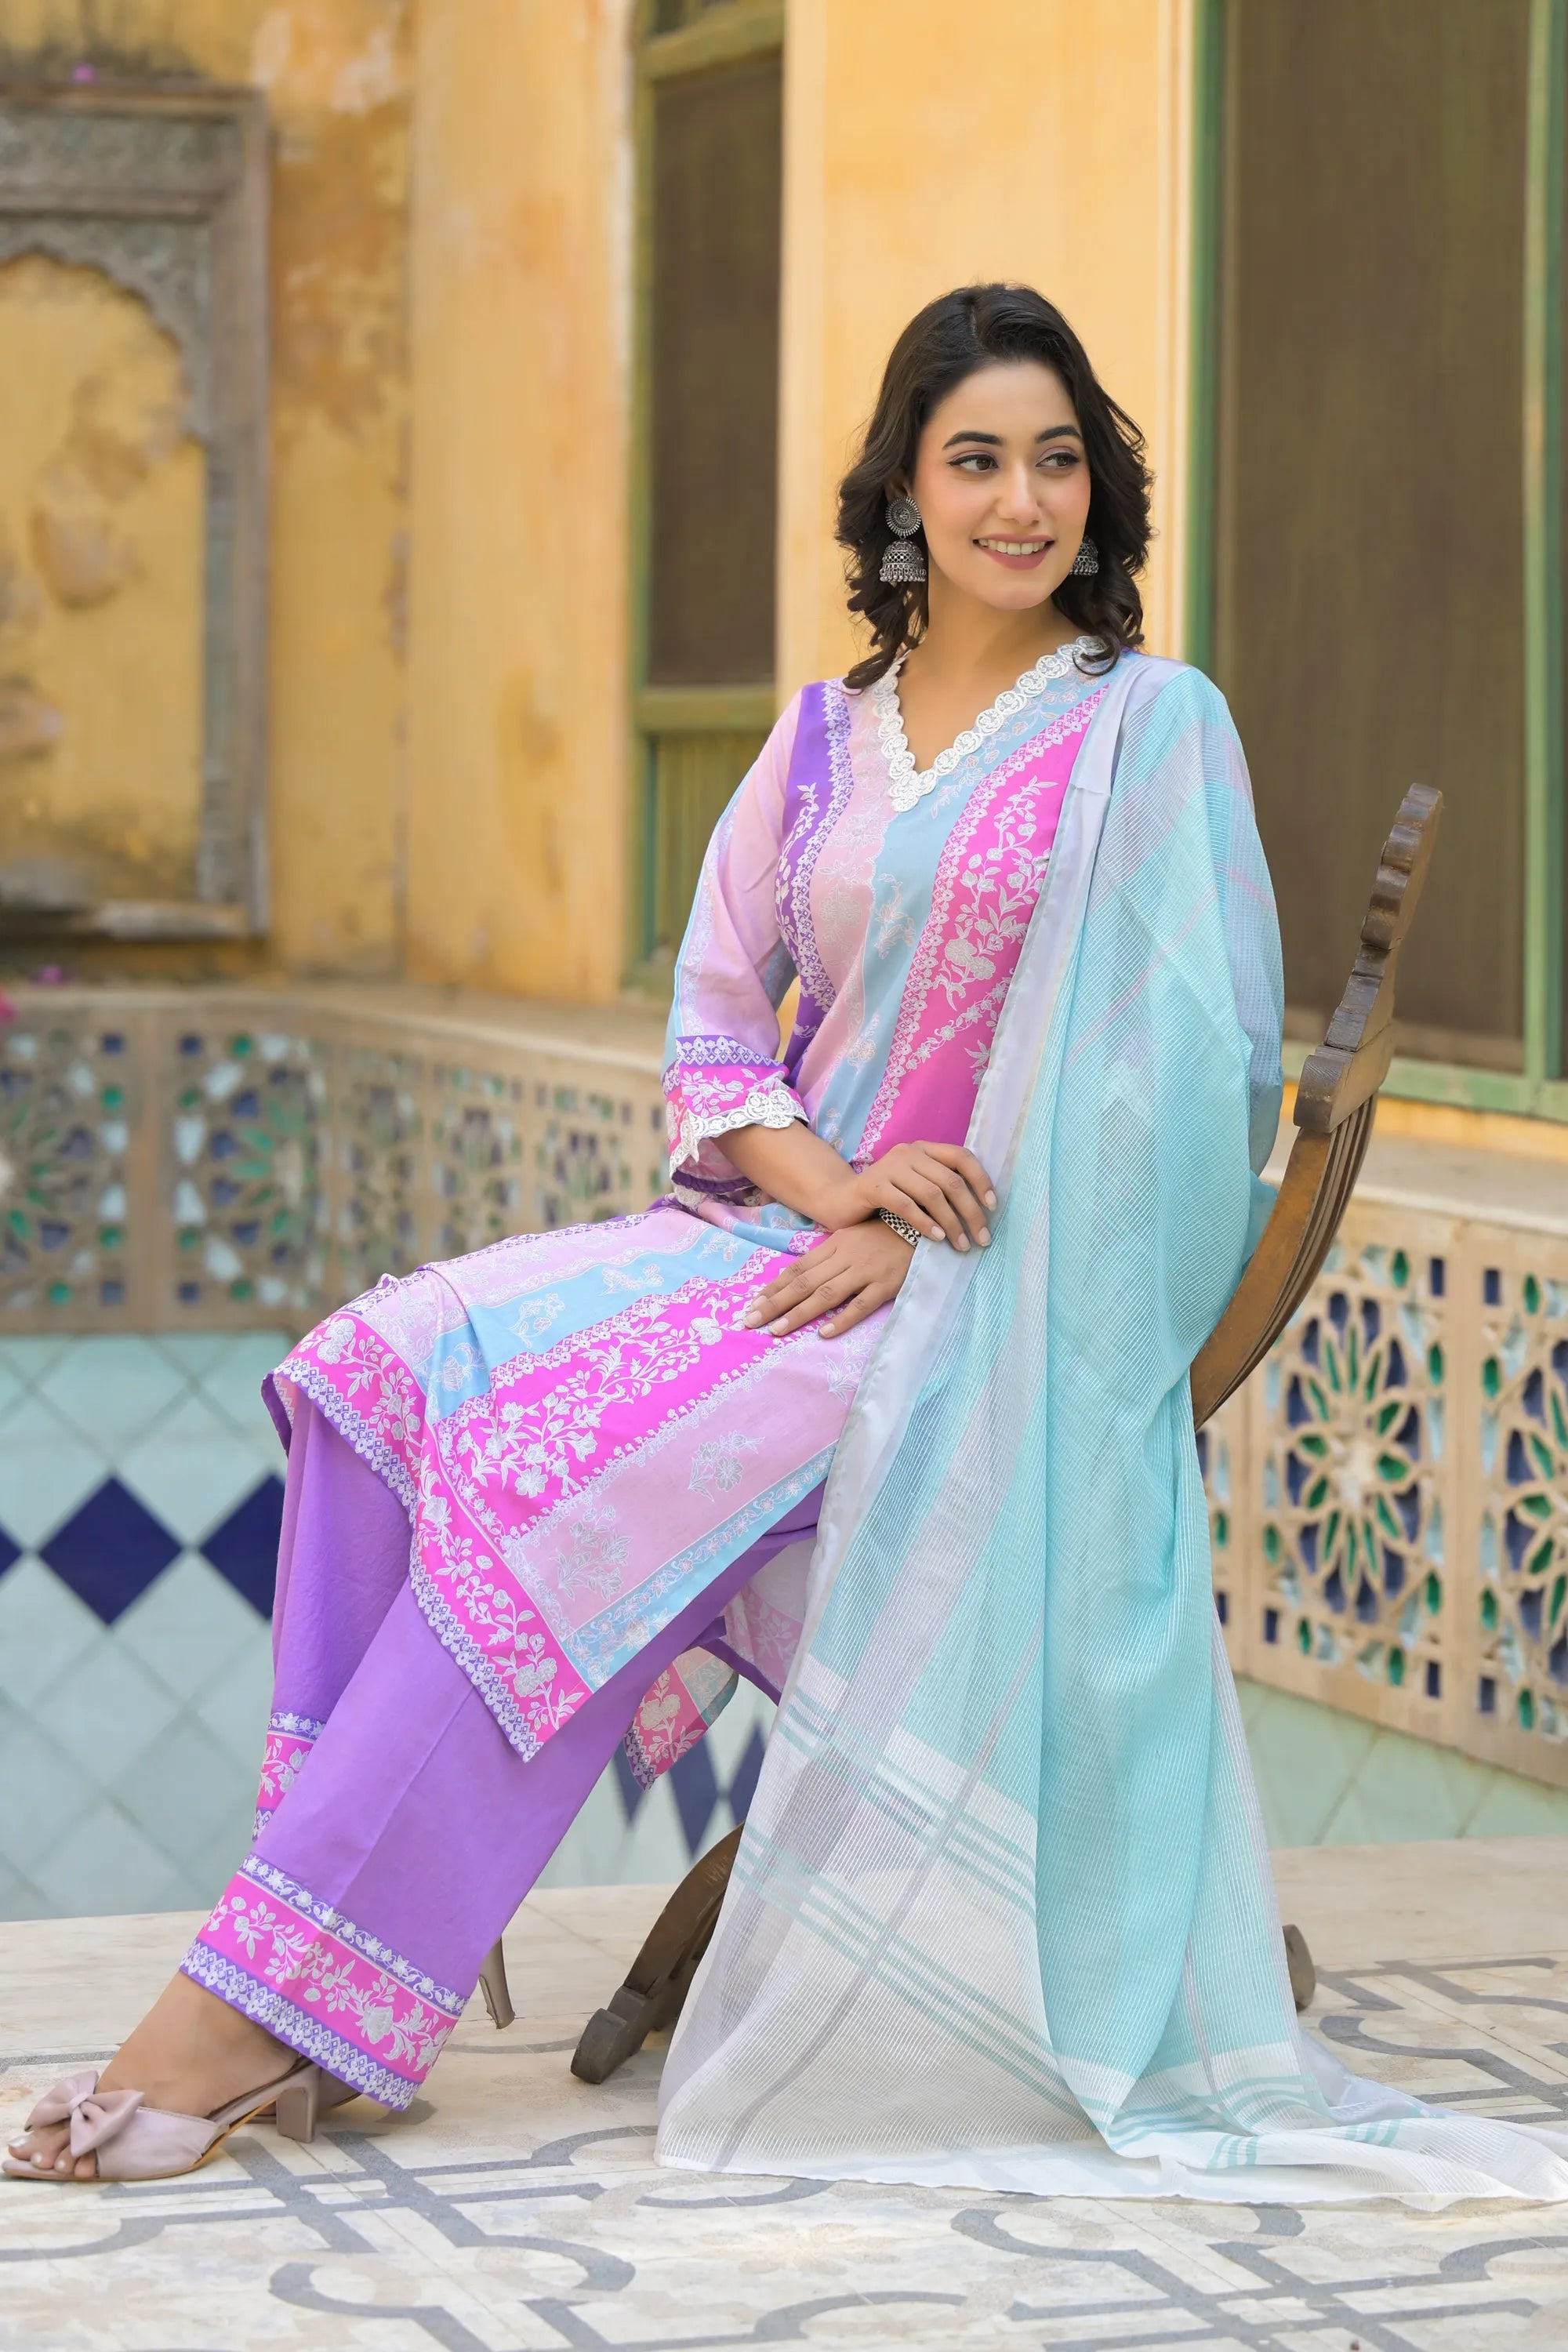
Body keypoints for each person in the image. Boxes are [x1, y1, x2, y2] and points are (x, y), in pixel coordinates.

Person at [11, 285, 1567, 2205]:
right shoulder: (822, 737)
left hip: (981, 1307)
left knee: (545, 1489)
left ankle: (251, 2019)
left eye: (1057, 458)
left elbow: (1177, 1095)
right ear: (905, 492)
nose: (1023, 501)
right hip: (779, 1238)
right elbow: (716, 1018)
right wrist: (836, 1187)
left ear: (1101, 488)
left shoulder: (1146, 730)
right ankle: (336, 1975)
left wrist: (931, 1244)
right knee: (376, 1363)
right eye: (976, 459)